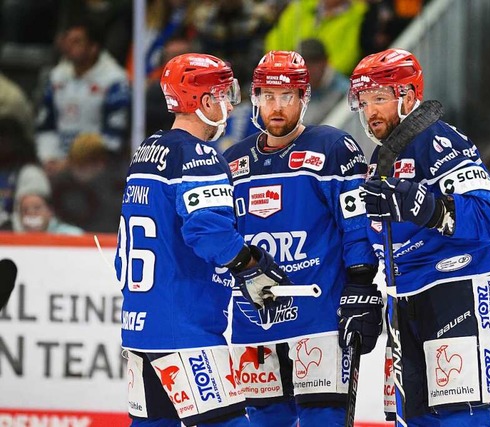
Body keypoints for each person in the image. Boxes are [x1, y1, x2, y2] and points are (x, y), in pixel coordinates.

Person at [115, 53, 292, 427]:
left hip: (138, 327)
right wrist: (251, 264)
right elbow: (207, 232)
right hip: (185, 330)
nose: (229, 104)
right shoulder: (198, 155)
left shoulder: (146, 151)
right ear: (205, 101)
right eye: (224, 94)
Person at [222, 50, 382, 426]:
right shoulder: (232, 161)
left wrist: (360, 281)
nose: (277, 107)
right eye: (269, 97)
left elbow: (356, 222)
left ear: (304, 98)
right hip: (254, 321)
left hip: (320, 320)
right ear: (255, 99)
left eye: (288, 97)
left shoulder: (332, 147)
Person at [349, 48, 490, 426]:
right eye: (365, 101)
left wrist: (432, 209)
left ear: (407, 95)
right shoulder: (380, 159)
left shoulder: (441, 142)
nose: (371, 112)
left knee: (460, 413)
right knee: (413, 416)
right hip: (403, 294)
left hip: (456, 284)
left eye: (380, 98)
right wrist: (360, 283)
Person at [35, 17, 131, 175]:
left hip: (96, 166)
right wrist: (48, 158)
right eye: (68, 40)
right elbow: (45, 126)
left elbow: (113, 138)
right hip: (56, 162)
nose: (68, 47)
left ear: (93, 47)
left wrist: (72, 162)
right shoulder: (56, 76)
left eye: (77, 42)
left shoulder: (114, 80)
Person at [264, 0, 369, 76]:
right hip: (284, 75)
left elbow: (346, 59)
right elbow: (277, 39)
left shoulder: (359, 15)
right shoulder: (301, 6)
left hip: (325, 83)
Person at [298, 38, 350, 124]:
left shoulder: (344, 92)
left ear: (325, 62)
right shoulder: (293, 88)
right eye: (302, 64)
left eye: (313, 62)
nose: (307, 69)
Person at [15, 190, 83, 235]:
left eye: (37, 208)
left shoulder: (71, 234)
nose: (31, 213)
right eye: (25, 210)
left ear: (50, 212)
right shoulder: (15, 242)